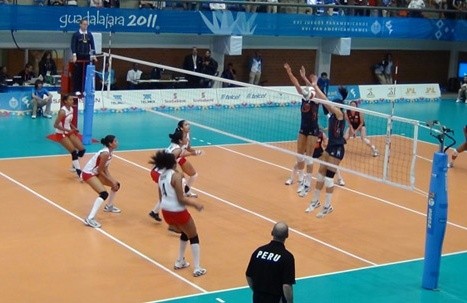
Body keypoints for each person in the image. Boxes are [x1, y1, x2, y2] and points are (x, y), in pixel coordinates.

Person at [153, 150, 206, 277]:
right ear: (173, 163)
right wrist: (195, 204)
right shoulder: (176, 176)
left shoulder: (161, 176)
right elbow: (181, 198)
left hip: (166, 211)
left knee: (185, 232)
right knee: (193, 235)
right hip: (177, 210)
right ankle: (197, 267)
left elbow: (161, 199)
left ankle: (180, 261)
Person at [305, 82, 347, 218]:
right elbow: (324, 100)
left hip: (337, 149)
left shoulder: (340, 114)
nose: (331, 107)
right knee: (320, 175)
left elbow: (326, 101)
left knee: (329, 179)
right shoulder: (333, 115)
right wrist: (314, 86)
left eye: (333, 105)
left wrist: (316, 87)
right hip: (329, 147)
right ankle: (315, 201)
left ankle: (328, 206)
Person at [149, 123, 203, 221]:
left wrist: (195, 153)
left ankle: (155, 212)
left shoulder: (175, 146)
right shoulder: (176, 150)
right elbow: (170, 164)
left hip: (158, 171)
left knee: (171, 191)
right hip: (159, 172)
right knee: (173, 192)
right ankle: (174, 217)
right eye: (184, 138)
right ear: (180, 140)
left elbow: (186, 153)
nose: (187, 139)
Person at [283, 63, 320, 198]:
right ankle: (301, 177)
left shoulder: (315, 97)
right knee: (299, 155)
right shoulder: (304, 96)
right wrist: (289, 72)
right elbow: (297, 85)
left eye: (309, 87)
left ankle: (307, 183)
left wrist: (306, 80)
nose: (306, 88)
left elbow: (304, 88)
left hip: (313, 130)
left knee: (309, 157)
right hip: (303, 128)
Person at [246, 222, 295, 303]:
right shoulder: (287, 257)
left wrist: (257, 291)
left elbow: (249, 275)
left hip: (258, 298)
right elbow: (286, 285)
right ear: (287, 235)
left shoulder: (259, 251)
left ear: (272, 233)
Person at [82, 135, 121, 228]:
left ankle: (109, 206)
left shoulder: (110, 153)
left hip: (96, 173)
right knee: (104, 194)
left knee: (116, 185)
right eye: (115, 141)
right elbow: (100, 170)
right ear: (110, 144)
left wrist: (112, 181)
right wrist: (110, 180)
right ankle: (90, 218)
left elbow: (105, 169)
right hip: (88, 174)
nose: (117, 142)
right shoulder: (105, 154)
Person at [51, 94, 86, 178]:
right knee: (73, 152)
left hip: (69, 132)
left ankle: (75, 163)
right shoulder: (62, 111)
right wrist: (67, 130)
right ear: (65, 101)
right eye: (70, 100)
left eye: (72, 100)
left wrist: (74, 128)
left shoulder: (71, 109)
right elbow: (55, 125)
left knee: (82, 150)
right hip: (61, 133)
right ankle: (79, 173)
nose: (72, 101)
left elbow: (68, 122)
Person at [70, 18, 97, 94]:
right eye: (84, 24)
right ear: (80, 24)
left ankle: (85, 89)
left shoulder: (89, 34)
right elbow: (73, 45)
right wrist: (74, 55)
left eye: (87, 25)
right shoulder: (76, 34)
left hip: (87, 56)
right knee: (78, 73)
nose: (86, 26)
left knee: (86, 73)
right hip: (79, 56)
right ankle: (77, 90)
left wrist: (93, 55)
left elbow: (92, 45)